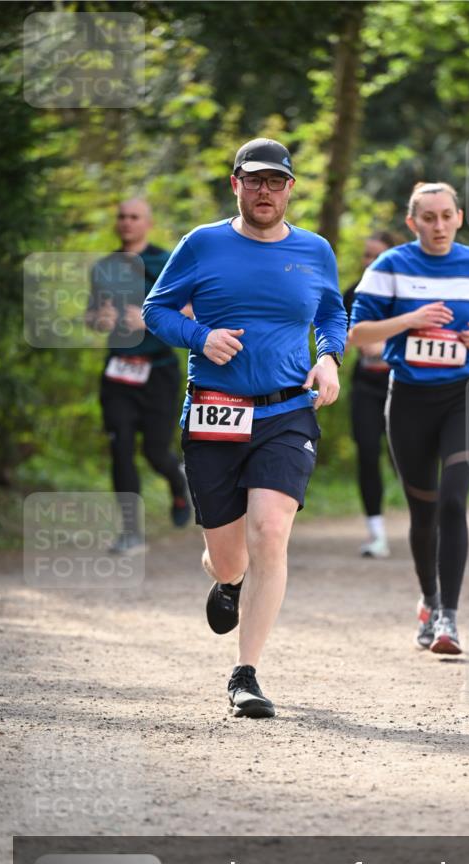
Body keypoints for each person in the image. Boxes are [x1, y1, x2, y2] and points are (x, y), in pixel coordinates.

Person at [142, 138, 347, 719]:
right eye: (254, 180)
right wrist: (199, 336)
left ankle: (246, 674)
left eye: (275, 182)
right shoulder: (203, 244)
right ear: (235, 183)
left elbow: (332, 310)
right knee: (230, 557)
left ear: (289, 188)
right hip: (215, 409)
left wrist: (329, 355)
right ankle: (228, 582)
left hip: (286, 411)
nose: (265, 191)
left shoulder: (315, 250)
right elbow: (155, 310)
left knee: (270, 532)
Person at [349, 182, 469, 655]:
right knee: (423, 511)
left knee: (453, 502)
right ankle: (429, 597)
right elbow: (358, 333)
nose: (438, 226)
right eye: (428, 217)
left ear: (459, 217)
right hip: (409, 400)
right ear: (412, 222)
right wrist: (408, 319)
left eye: (446, 216)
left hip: (464, 394)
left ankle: (449, 620)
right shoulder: (390, 267)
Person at [85, 198, 190, 553]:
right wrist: (99, 319)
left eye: (134, 217)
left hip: (158, 372)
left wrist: (149, 320)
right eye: (122, 217)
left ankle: (179, 486)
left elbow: (191, 309)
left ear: (148, 222)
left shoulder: (166, 262)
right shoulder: (104, 267)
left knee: (156, 452)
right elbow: (93, 314)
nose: (127, 222)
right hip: (118, 373)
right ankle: (131, 532)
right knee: (121, 449)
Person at [343, 232, 396, 558]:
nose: (369, 262)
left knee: (404, 458)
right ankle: (376, 533)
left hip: (401, 387)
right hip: (365, 384)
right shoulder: (353, 293)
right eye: (365, 255)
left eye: (376, 256)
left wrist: (387, 346)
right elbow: (339, 334)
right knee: (366, 453)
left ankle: (429, 523)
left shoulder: (409, 291)